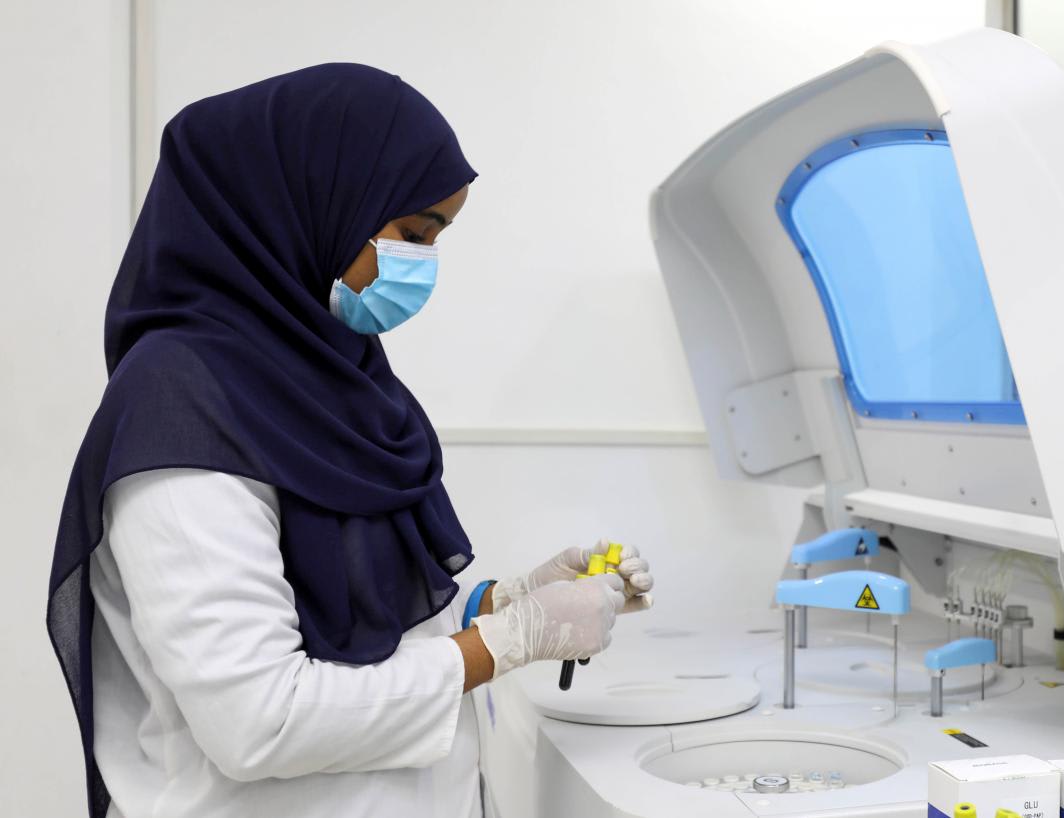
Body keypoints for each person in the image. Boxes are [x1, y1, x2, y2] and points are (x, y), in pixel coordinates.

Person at [46, 63, 653, 818]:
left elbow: (354, 613)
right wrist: (510, 642)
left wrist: (508, 601)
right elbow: (260, 720)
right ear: (313, 202)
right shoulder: (179, 408)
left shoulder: (326, 376)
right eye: (412, 234)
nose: (423, 265)